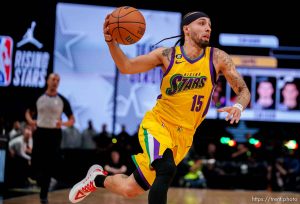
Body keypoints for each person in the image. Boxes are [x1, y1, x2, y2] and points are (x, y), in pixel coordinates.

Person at [69, 11, 250, 204]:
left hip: (184, 136)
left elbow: (243, 90)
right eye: (202, 23)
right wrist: (111, 42)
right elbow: (127, 66)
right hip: (158, 124)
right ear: (186, 29)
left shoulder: (218, 58)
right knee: (166, 169)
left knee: (130, 189)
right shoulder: (167, 55)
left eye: (210, 25)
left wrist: (239, 105)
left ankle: (96, 178)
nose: (208, 28)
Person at [25, 73, 75, 204]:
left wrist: (63, 123)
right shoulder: (39, 98)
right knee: (36, 161)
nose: (55, 82)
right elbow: (28, 113)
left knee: (49, 165)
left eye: (58, 80)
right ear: (47, 81)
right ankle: (38, 179)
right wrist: (31, 121)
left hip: (54, 134)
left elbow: (72, 120)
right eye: (53, 79)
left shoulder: (62, 100)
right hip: (40, 132)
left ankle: (44, 195)